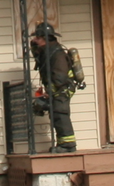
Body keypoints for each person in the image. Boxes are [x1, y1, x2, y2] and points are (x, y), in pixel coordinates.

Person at [30, 22, 79, 152]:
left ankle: (68, 146)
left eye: (37, 38)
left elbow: (59, 78)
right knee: (55, 115)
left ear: (45, 39)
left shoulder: (57, 54)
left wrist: (50, 93)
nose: (34, 40)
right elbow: (38, 58)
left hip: (62, 89)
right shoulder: (47, 51)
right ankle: (62, 144)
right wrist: (34, 46)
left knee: (60, 114)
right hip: (56, 89)